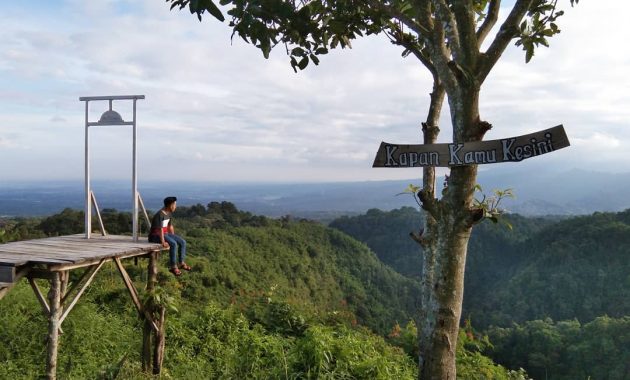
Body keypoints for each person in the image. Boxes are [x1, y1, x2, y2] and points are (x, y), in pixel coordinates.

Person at [148, 196, 191, 276]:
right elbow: (159, 229)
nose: (175, 206)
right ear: (170, 205)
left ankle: (181, 262)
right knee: (173, 244)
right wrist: (163, 242)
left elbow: (170, 226)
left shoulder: (169, 214)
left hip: (165, 233)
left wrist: (173, 236)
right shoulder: (159, 214)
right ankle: (173, 266)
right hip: (155, 236)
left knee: (182, 242)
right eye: (175, 204)